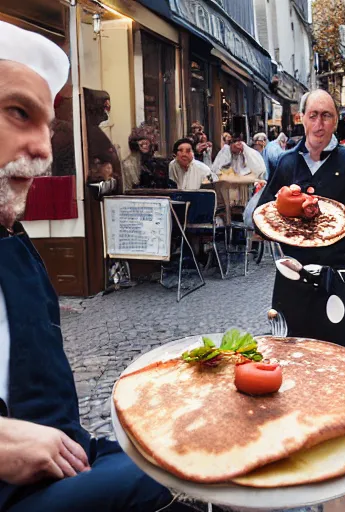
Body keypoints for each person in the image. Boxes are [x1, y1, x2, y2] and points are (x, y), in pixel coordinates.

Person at [0, 20, 194, 512]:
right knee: (174, 475)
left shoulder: (12, 241)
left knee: (183, 450)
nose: (44, 150)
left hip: (65, 457)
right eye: (19, 113)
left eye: (47, 124)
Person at [257, 90, 345, 361]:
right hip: (298, 274)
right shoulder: (287, 162)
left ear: (336, 122)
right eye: (313, 116)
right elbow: (265, 213)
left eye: (327, 116)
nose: (319, 124)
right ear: (302, 119)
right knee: (296, 355)